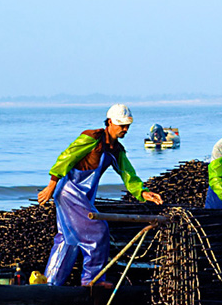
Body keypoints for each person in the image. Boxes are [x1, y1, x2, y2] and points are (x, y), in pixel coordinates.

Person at [37, 104, 163, 287]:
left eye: (127, 126)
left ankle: (51, 284)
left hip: (83, 195)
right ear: (110, 122)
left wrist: (143, 192)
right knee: (98, 231)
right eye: (122, 126)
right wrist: (51, 186)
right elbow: (66, 157)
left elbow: (128, 174)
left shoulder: (116, 150)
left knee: (68, 239)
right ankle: (92, 281)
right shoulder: (92, 137)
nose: (125, 129)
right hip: (69, 192)